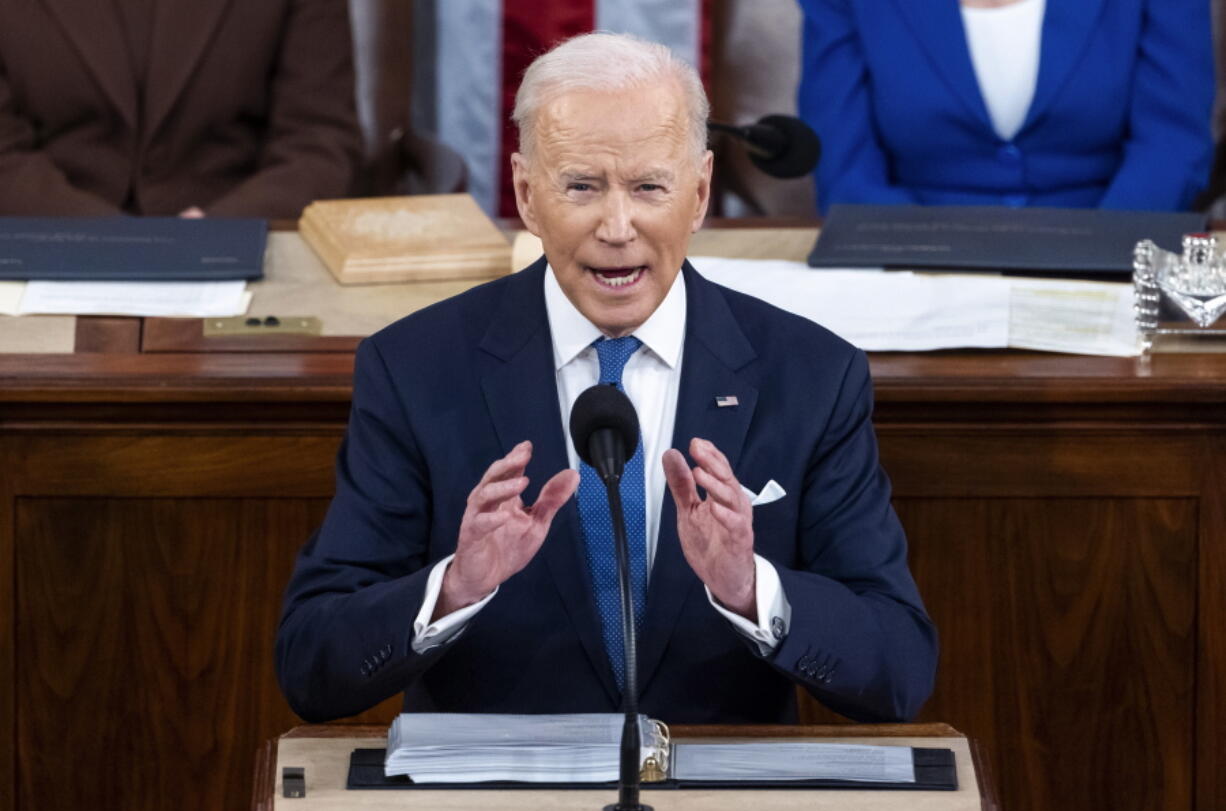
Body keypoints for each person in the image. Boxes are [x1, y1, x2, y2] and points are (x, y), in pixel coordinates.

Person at [275, 32, 937, 725]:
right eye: (582, 186)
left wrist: (751, 590)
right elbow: (311, 664)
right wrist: (453, 588)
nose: (617, 227)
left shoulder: (811, 374)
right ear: (528, 195)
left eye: (650, 186)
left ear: (701, 192)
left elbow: (898, 668)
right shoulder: (415, 368)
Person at [797, 0, 1215, 214]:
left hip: (1109, 256)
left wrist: (1099, 256)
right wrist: (921, 261)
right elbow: (842, 158)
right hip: (910, 268)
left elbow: (1172, 141)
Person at [0, 0, 361, 218]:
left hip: (240, 241)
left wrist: (216, 230)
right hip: (46, 237)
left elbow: (319, 140)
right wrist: (104, 239)